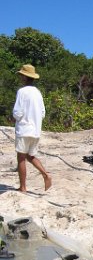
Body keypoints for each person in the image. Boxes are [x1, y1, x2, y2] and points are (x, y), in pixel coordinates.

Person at [12, 64, 52, 193]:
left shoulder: (22, 92)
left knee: (21, 158)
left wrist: (15, 119)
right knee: (30, 156)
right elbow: (42, 113)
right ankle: (45, 174)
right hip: (35, 130)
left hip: (24, 129)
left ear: (24, 77)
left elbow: (17, 112)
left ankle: (23, 187)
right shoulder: (38, 93)